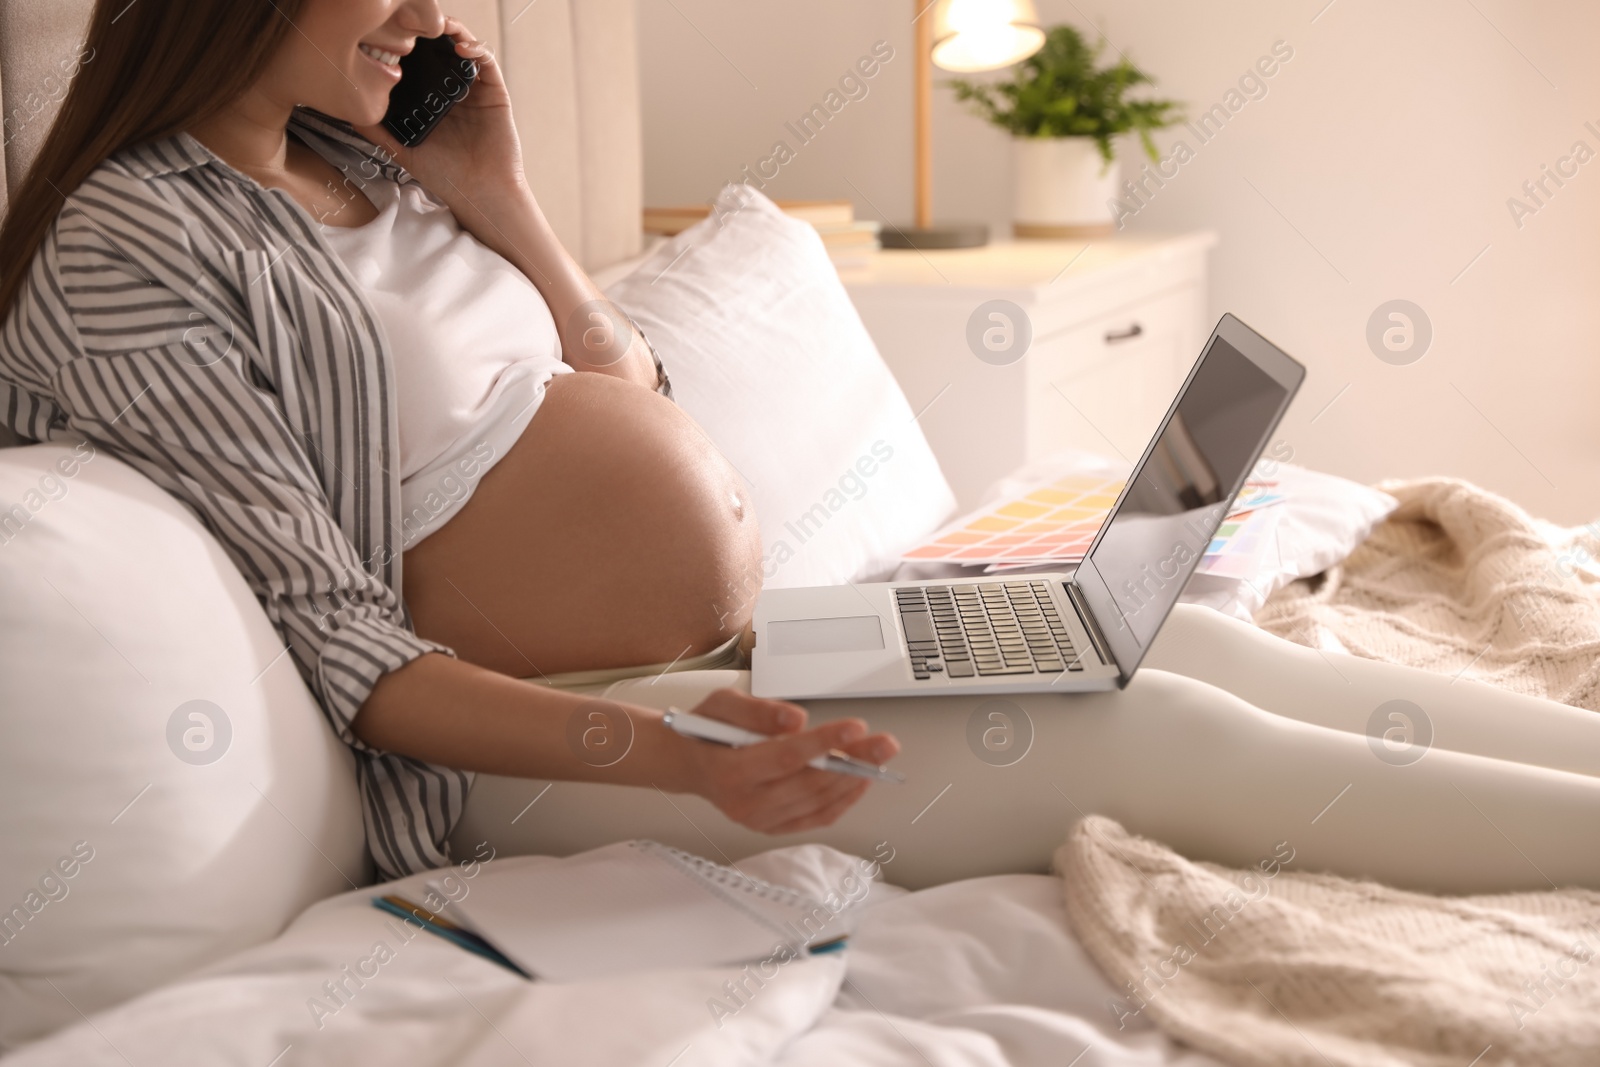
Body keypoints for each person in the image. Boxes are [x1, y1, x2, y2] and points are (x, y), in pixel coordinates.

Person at [0, 0, 897, 879]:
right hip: (581, 744)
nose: (428, 19)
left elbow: (635, 388)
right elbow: (332, 631)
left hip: (727, 668)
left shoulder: (376, 156)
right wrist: (685, 756)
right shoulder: (124, 247)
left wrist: (497, 194)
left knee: (1025, 665)